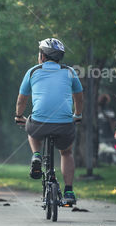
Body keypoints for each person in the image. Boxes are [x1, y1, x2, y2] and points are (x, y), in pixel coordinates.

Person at [14, 38, 84, 205]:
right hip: (65, 125)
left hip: (39, 124)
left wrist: (18, 116)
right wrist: (78, 115)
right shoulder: (70, 72)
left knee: (29, 122)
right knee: (66, 152)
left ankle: (36, 155)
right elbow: (79, 98)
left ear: (43, 56)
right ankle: (69, 191)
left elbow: (21, 100)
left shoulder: (32, 71)